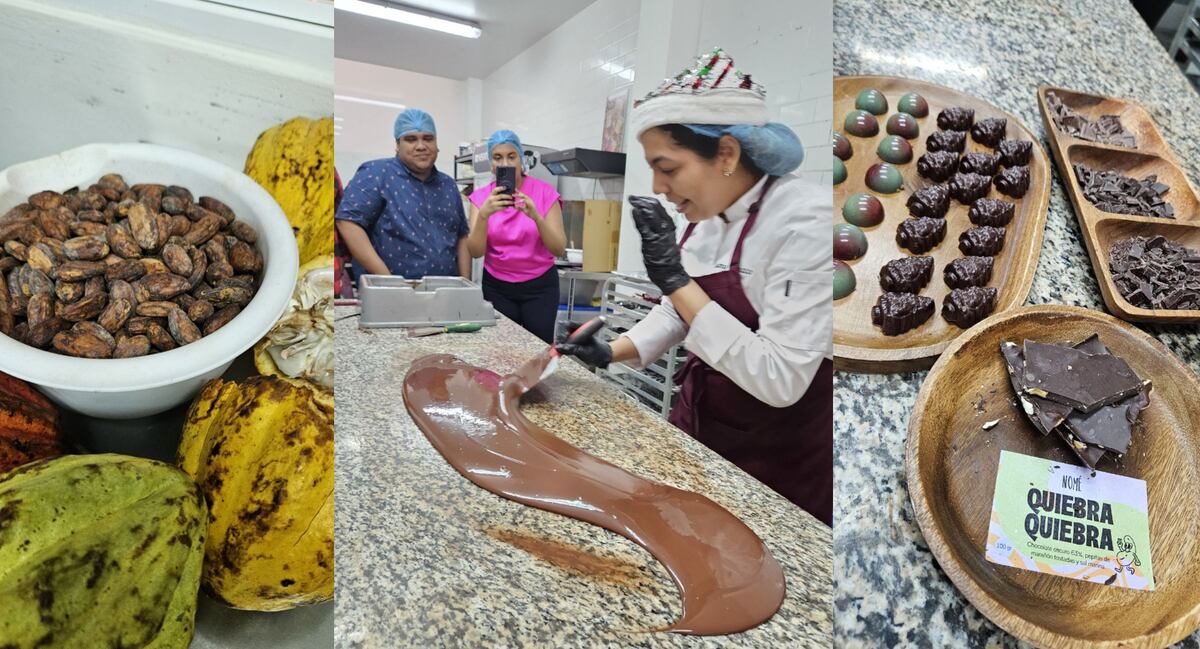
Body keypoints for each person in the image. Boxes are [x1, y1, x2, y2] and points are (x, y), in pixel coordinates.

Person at [555, 48, 833, 526]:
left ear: (725, 153)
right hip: (701, 420)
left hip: (777, 448)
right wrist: (614, 352)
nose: (660, 187)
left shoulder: (805, 220)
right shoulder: (702, 219)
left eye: (668, 167)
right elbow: (676, 311)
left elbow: (781, 378)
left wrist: (677, 280)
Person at [335, 108, 470, 281]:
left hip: (445, 292)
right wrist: (389, 281)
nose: (421, 146)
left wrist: (465, 284)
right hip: (389, 293)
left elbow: (462, 236)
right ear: (397, 145)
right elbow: (347, 222)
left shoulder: (448, 185)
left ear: (436, 144)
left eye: (428, 138)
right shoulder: (377, 174)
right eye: (411, 139)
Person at [467, 130, 567, 344]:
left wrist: (537, 218)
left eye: (511, 156)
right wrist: (484, 215)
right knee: (501, 350)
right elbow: (475, 252)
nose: (505, 163)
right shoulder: (481, 198)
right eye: (498, 157)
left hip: (540, 287)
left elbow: (558, 249)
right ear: (491, 164)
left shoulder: (544, 193)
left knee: (537, 350)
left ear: (521, 160)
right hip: (497, 286)